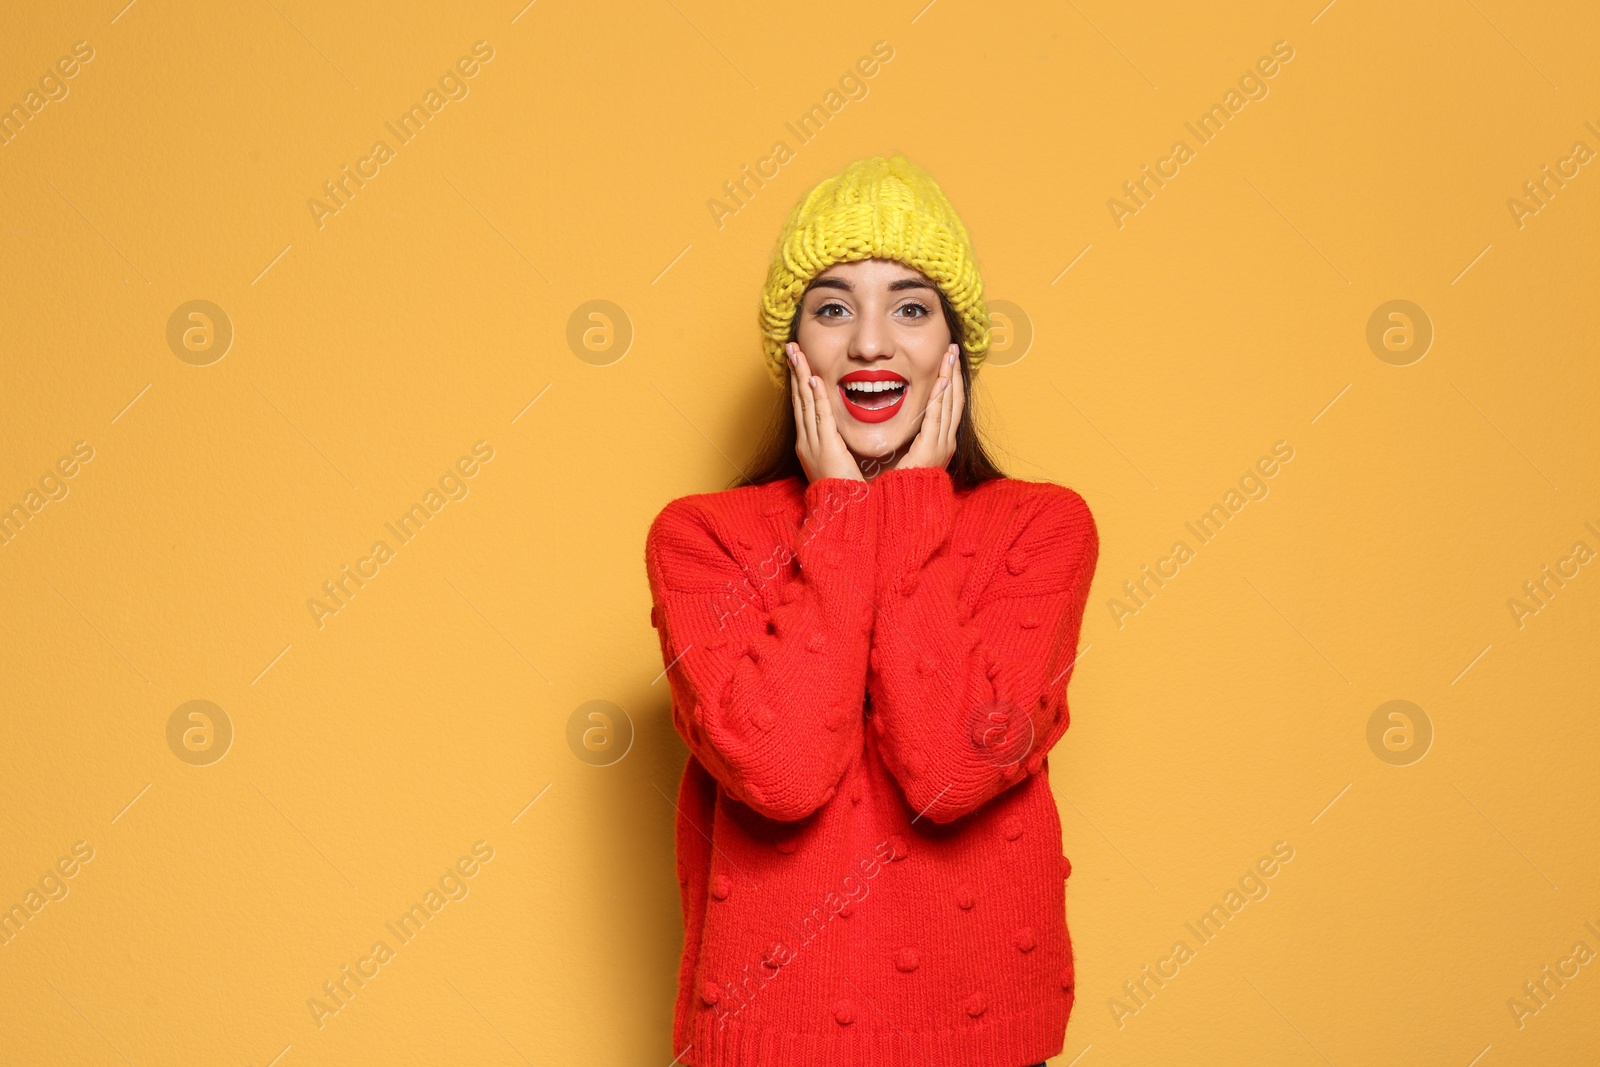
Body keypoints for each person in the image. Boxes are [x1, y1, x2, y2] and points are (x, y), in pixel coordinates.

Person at [645, 154, 1099, 1067]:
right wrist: (850, 517)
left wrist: (912, 506)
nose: (870, 345)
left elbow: (951, 769)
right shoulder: (702, 539)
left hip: (986, 1046)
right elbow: (781, 775)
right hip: (769, 1045)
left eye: (911, 306)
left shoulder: (1042, 528)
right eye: (834, 307)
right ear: (795, 350)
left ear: (952, 346)